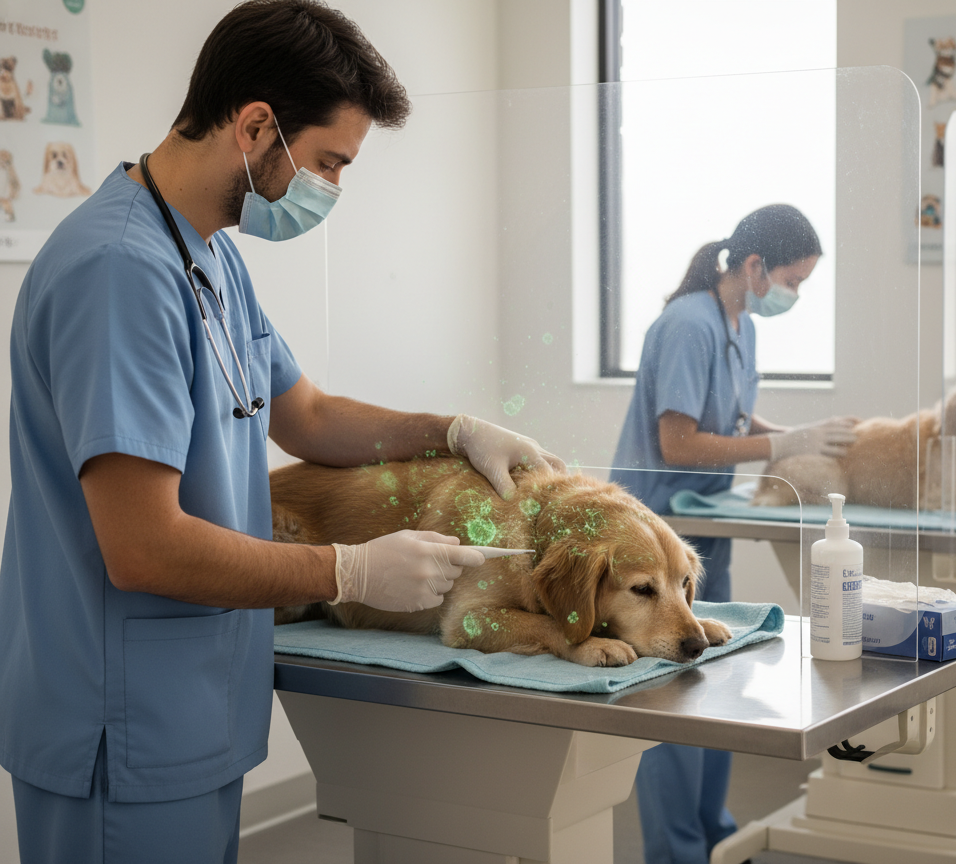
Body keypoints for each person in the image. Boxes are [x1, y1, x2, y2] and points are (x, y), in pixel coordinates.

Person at [0, 2, 562, 861]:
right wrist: (350, 569)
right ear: (257, 125)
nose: (333, 187)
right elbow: (142, 549)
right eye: (329, 161)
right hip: (121, 721)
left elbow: (307, 416)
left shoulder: (209, 255)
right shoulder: (119, 272)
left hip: (189, 712)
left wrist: (451, 431)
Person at [609, 204, 855, 864]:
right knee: (670, 699)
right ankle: (677, 852)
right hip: (658, 537)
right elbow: (680, 443)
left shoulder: (739, 323)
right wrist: (783, 445)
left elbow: (736, 420)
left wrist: (797, 436)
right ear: (754, 267)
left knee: (713, 688)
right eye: (793, 281)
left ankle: (714, 837)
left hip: (703, 531)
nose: (795, 295)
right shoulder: (688, 324)